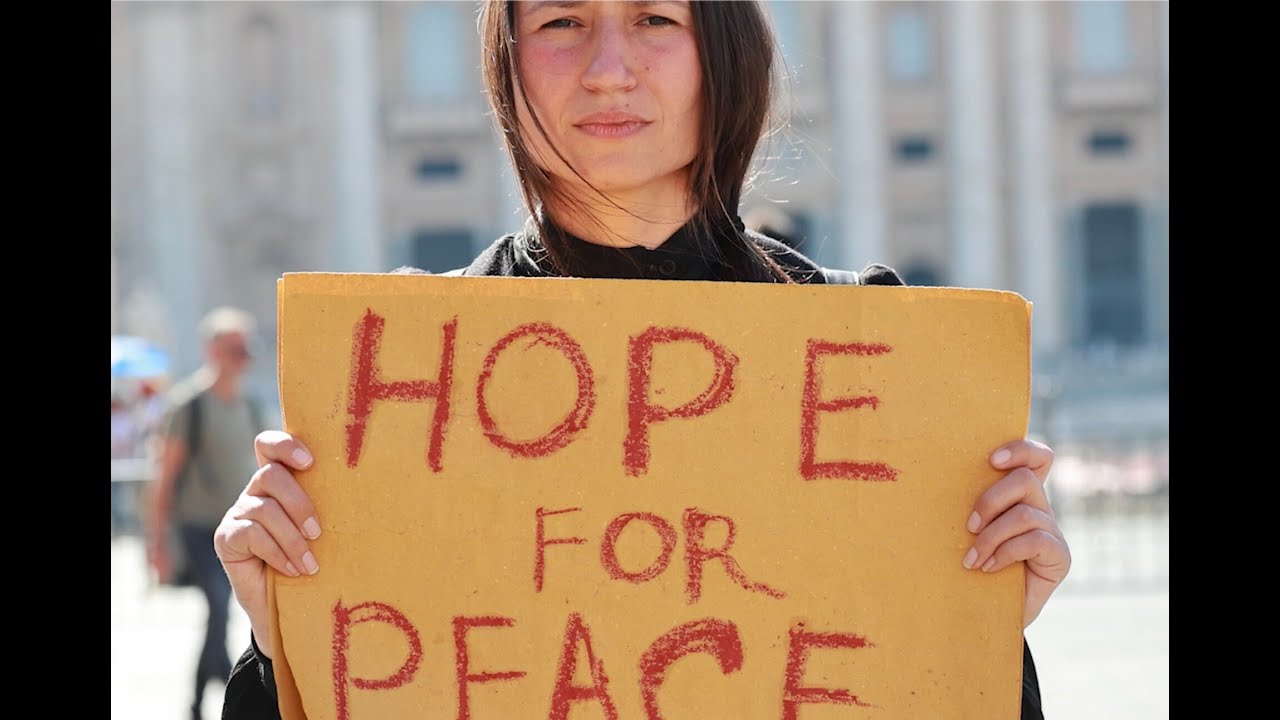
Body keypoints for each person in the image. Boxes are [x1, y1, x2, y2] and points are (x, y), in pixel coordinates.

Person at [215, 3, 1071, 718]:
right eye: (562, 21)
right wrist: (276, 638)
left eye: (657, 19)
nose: (609, 68)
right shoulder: (395, 381)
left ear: (724, 52)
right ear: (505, 60)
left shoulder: (872, 355)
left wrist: (984, 635)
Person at [145, 306, 267, 720]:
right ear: (213, 350)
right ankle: (211, 696)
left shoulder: (250, 404)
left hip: (240, 532)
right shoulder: (189, 405)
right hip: (198, 528)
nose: (244, 356)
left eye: (247, 348)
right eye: (235, 348)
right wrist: (157, 544)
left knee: (225, 612)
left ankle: (215, 688)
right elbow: (164, 478)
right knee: (219, 606)